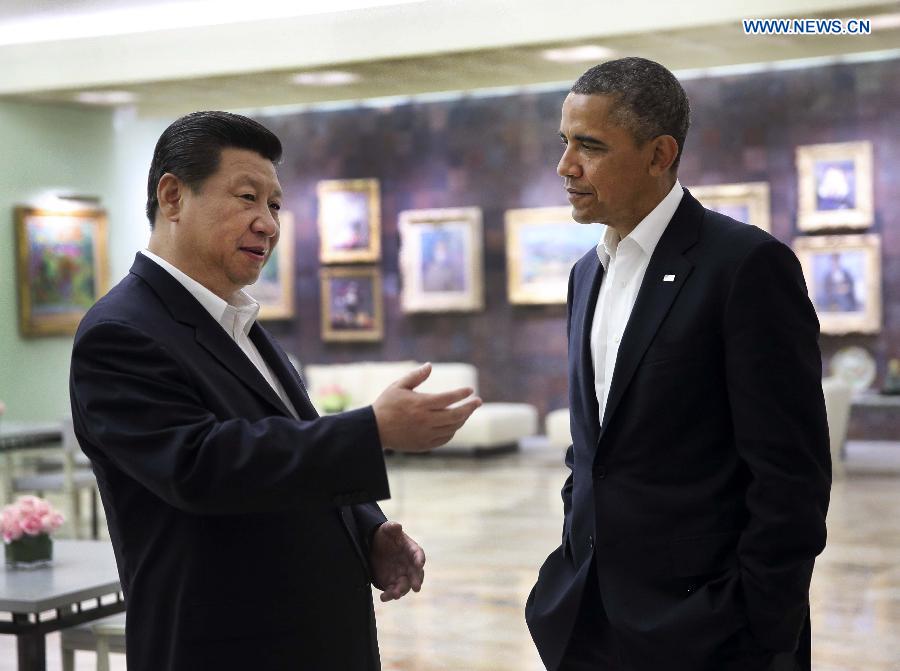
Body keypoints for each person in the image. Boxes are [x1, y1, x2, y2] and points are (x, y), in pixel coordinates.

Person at [69, 111, 481, 671]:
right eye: (247, 198)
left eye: (275, 205)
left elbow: (291, 441)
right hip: (225, 644)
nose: (268, 223)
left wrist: (368, 529)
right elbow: (203, 466)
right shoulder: (122, 332)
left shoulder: (238, 323)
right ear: (172, 197)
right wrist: (373, 429)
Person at [525, 58, 831, 671]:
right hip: (588, 618)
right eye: (564, 143)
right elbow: (595, 451)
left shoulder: (745, 266)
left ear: (659, 154)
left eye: (589, 146)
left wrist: (760, 624)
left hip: (708, 629)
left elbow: (790, 473)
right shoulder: (587, 273)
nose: (565, 166)